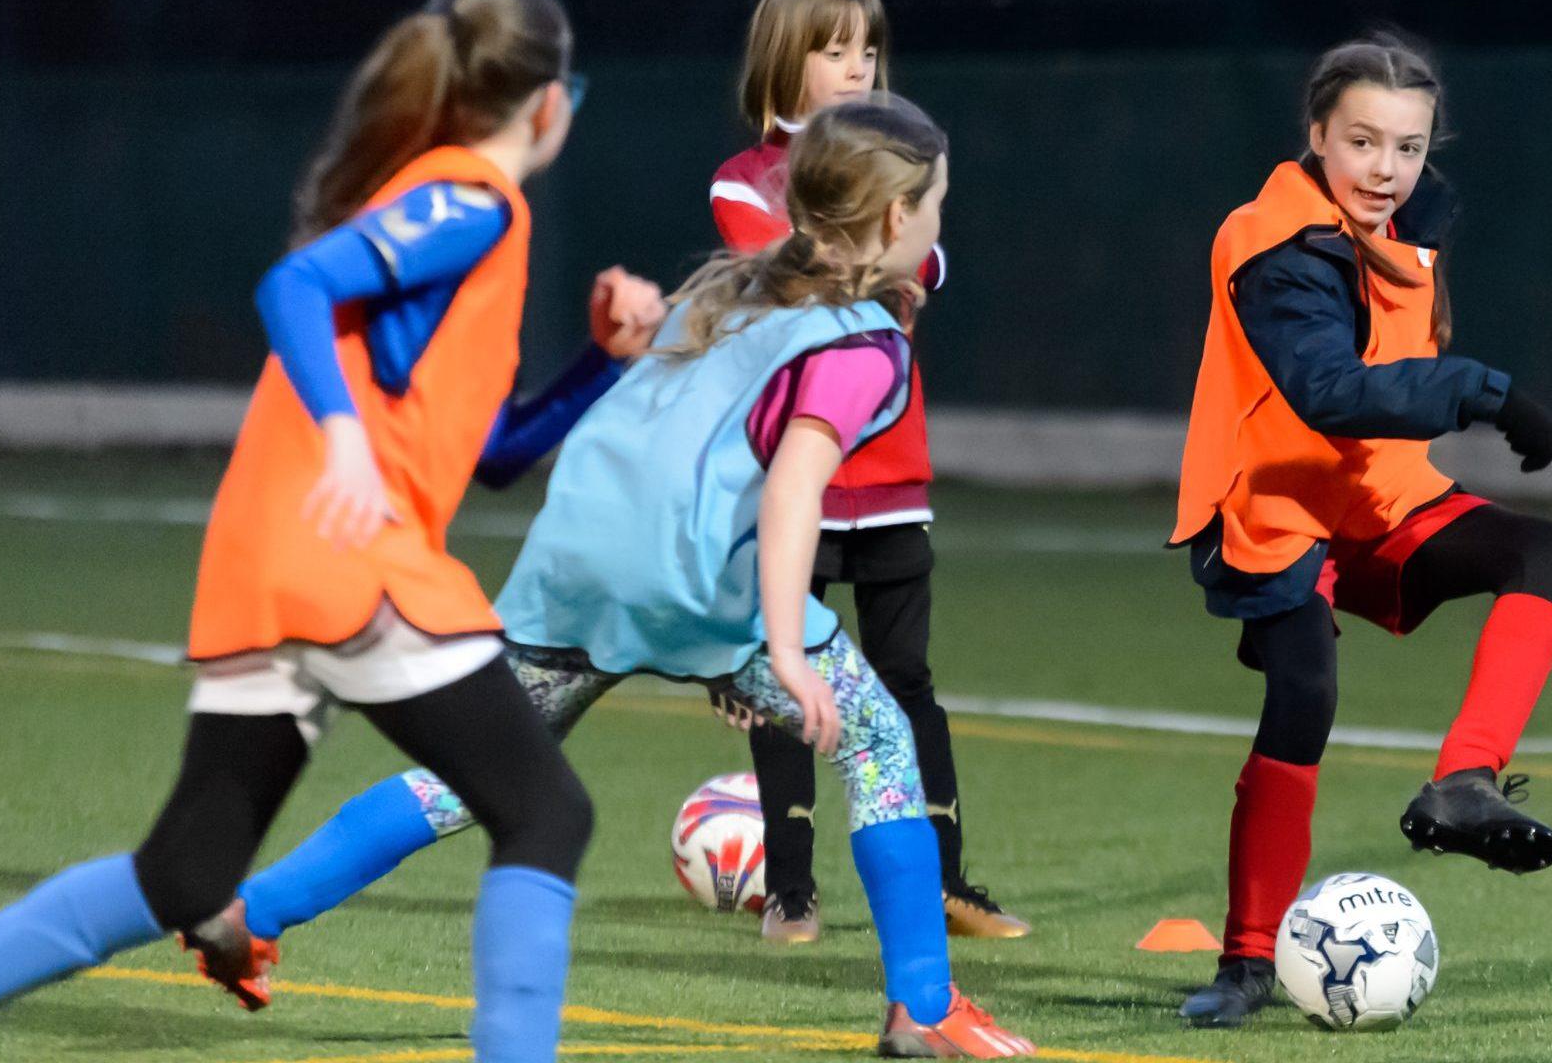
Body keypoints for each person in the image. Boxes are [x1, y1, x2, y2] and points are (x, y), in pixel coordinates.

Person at [226, 98, 1035, 1059]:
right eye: (938, 203)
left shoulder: (724, 287)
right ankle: (925, 1008)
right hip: (692, 585)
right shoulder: (863, 341)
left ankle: (255, 911)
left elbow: (648, 425)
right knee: (878, 740)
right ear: (898, 219)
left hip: (572, 569)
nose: (942, 222)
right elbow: (794, 490)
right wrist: (781, 646)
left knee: (463, 780)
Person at [0, 0, 659, 1063]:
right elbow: (296, 285)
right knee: (546, 815)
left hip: (276, 560)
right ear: (547, 103)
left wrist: (602, 365)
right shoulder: (473, 199)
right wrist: (342, 435)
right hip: (353, 558)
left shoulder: (443, 208)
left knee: (182, 878)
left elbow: (492, 457)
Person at [1169, 36, 1552, 1028]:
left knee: (1548, 552)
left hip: (1375, 497)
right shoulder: (1277, 253)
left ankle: (1463, 783)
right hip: (1270, 505)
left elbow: (1404, 296)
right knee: (1304, 694)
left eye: (1407, 147)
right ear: (1315, 137)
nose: (1384, 170)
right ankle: (1246, 961)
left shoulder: (1412, 216)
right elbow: (1328, 390)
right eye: (1360, 142)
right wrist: (1484, 392)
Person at [711, 0, 1024, 943]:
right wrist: (860, 257)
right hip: (789, 478)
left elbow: (917, 265)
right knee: (783, 672)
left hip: (890, 475)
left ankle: (949, 878)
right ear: (782, 61)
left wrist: (863, 254)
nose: (857, 67)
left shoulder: (899, 172)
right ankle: (790, 891)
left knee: (907, 679)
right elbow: (791, 277)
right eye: (834, 48)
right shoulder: (743, 178)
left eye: (869, 50)